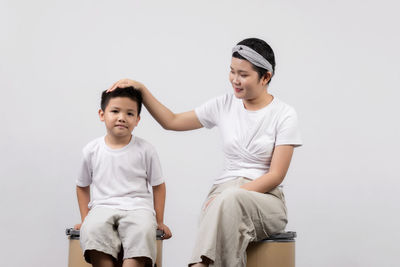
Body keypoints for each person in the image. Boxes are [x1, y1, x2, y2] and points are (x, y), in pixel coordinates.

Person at [109, 37, 302, 267]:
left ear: (266, 77)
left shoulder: (284, 114)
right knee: (227, 202)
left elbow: (276, 175)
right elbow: (172, 121)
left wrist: (229, 196)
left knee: (230, 200)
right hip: (222, 197)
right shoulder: (224, 105)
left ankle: (199, 265)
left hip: (265, 201)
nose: (235, 80)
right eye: (232, 72)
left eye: (243, 74)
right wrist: (141, 89)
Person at [75, 87, 172, 267]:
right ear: (102, 114)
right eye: (115, 111)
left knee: (143, 230)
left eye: (129, 113)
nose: (121, 117)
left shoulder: (146, 150)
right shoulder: (91, 150)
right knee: (92, 229)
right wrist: (85, 219)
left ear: (137, 120)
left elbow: (159, 186)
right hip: (103, 206)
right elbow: (82, 186)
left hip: (138, 208)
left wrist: (160, 221)